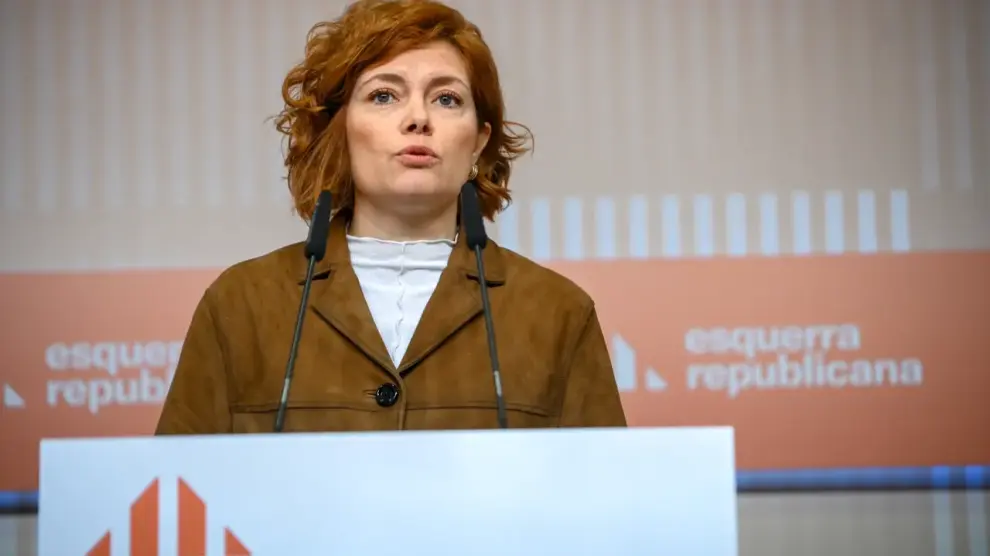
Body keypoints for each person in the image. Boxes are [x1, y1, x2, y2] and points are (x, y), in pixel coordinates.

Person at [155, 0, 626, 434]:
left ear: (479, 142)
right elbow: (178, 486)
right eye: (384, 95)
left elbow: (605, 490)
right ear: (339, 129)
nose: (418, 118)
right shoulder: (240, 306)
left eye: (446, 99)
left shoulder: (558, 313)